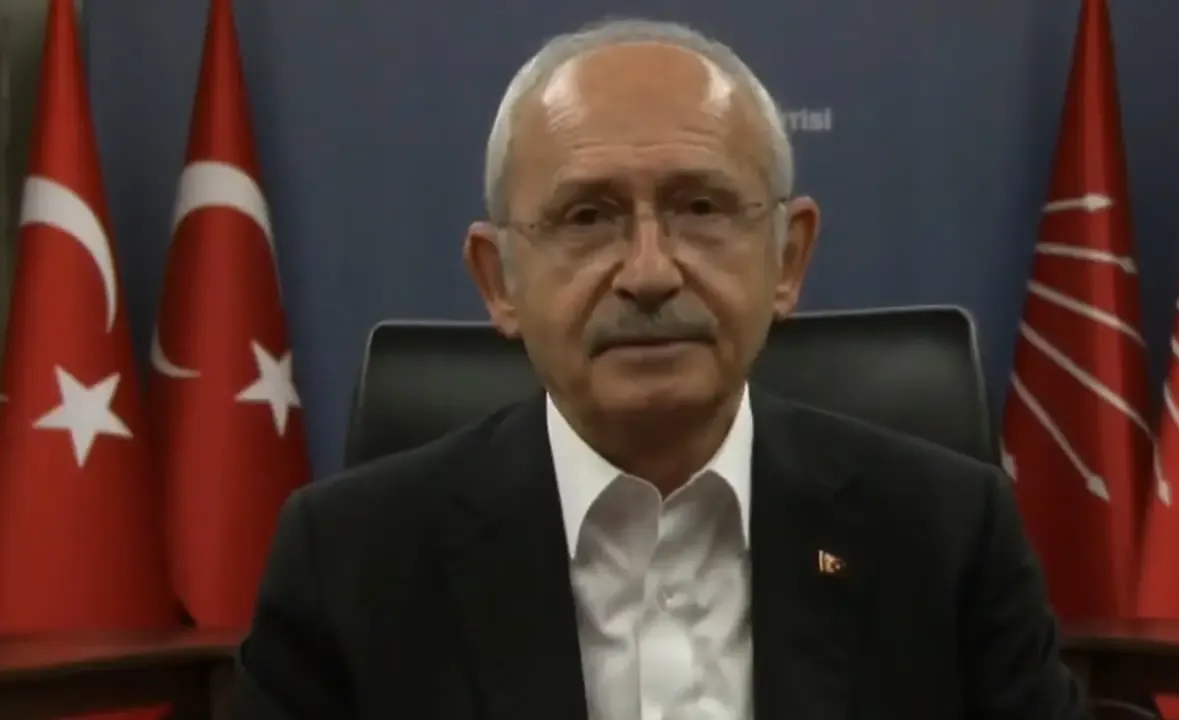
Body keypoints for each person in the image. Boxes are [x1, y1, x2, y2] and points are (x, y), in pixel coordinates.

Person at [232, 18, 1090, 720]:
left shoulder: (945, 537)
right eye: (586, 217)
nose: (648, 272)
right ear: (498, 282)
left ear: (788, 259)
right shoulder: (350, 564)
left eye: (702, 207)